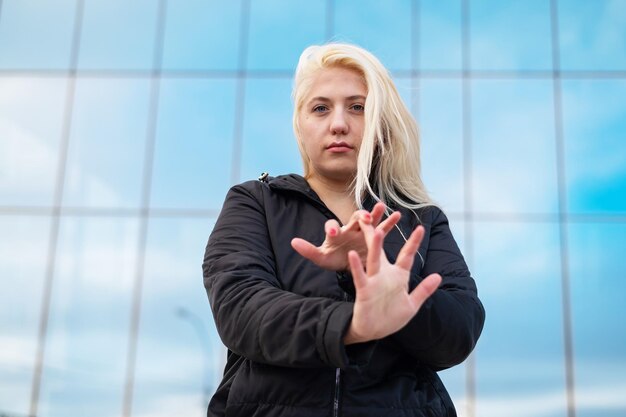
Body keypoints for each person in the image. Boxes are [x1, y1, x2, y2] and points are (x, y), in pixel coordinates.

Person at [202, 42, 485, 417]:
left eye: (358, 107)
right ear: (300, 127)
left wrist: (383, 278)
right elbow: (241, 310)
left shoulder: (422, 219)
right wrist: (352, 325)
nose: (338, 123)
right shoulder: (256, 202)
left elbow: (458, 332)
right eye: (320, 108)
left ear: (380, 124)